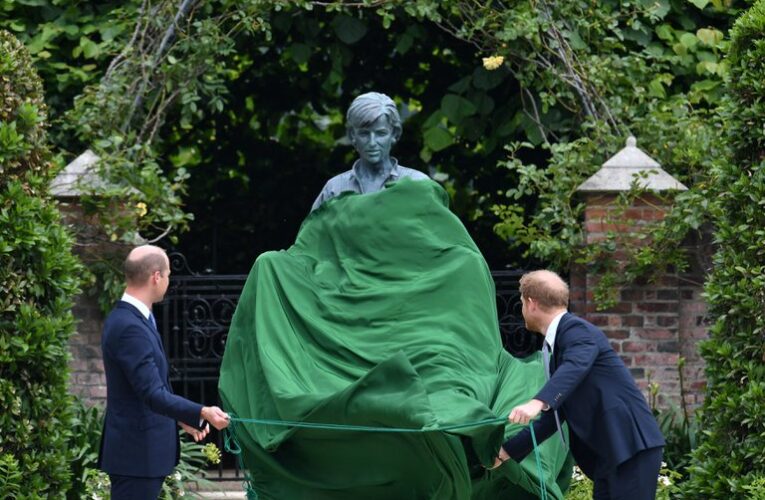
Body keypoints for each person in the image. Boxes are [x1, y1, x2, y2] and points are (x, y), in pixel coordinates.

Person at [493, 270, 665, 500]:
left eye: (522, 302)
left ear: (531, 303)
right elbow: (553, 419)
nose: (522, 309)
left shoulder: (576, 331)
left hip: (630, 446)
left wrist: (537, 402)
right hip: (611, 452)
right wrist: (505, 453)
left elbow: (576, 364)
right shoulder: (559, 344)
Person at [98, 245, 230, 500]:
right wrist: (201, 411)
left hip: (141, 456)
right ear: (156, 277)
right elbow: (151, 393)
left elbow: (144, 388)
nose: (168, 280)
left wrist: (182, 418)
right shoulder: (129, 326)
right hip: (136, 457)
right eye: (168, 274)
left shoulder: (137, 318)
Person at [311, 91, 429, 211]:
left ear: (394, 134)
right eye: (364, 133)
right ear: (352, 136)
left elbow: (437, 227)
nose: (372, 143)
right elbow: (314, 228)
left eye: (381, 133)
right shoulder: (334, 189)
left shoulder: (418, 183)